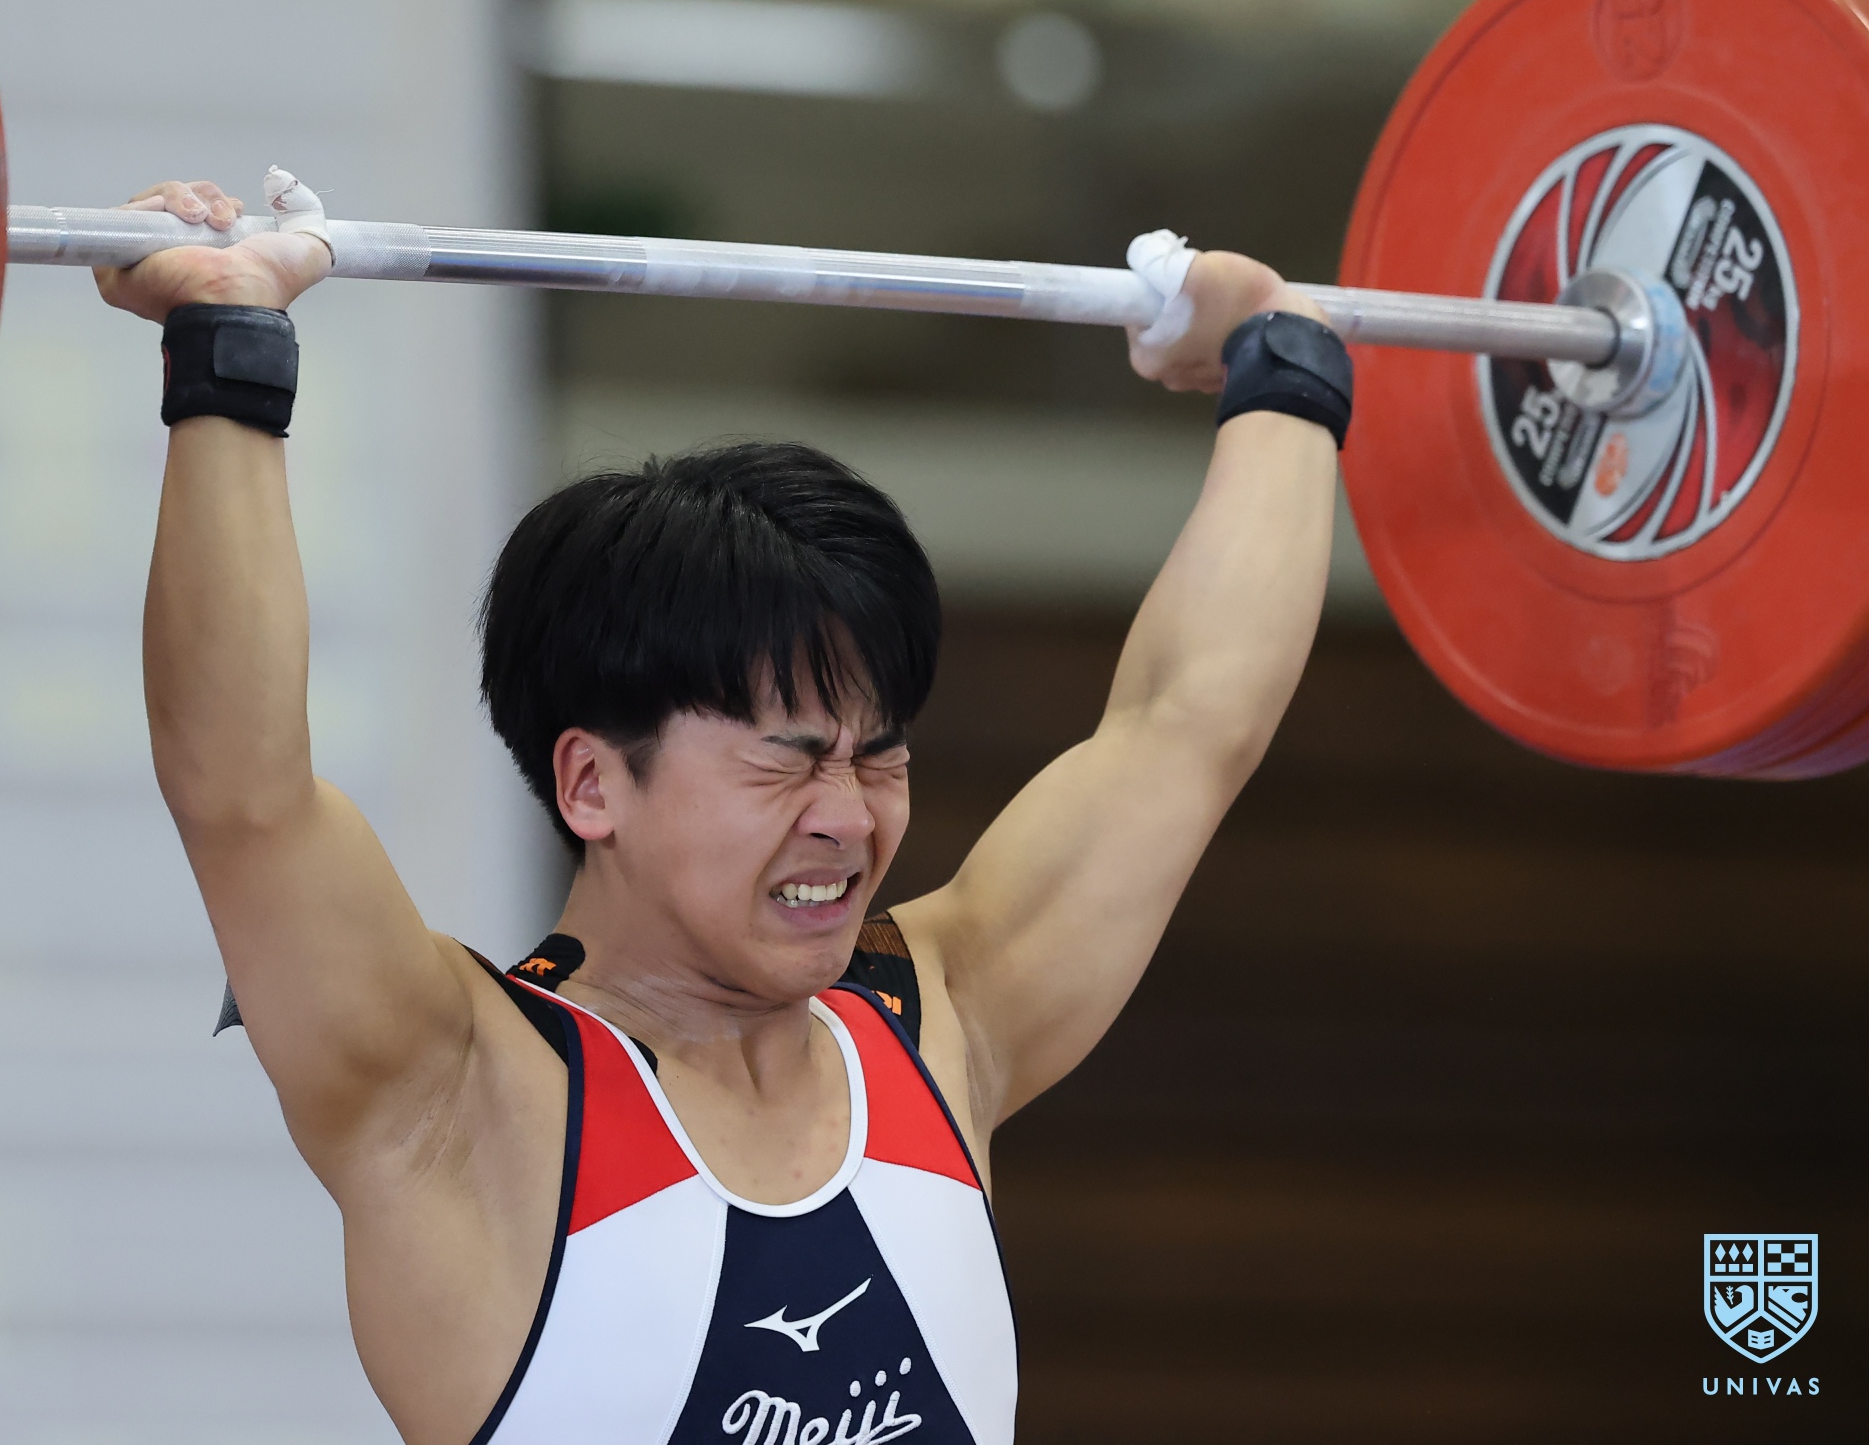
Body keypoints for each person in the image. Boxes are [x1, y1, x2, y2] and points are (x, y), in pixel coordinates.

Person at [98, 176, 1342, 1445]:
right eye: (786, 762)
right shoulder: (457, 1092)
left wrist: (1281, 363)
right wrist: (229, 345)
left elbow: (1187, 722)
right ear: (592, 782)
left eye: (879, 757)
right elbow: (241, 793)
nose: (848, 819)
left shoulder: (946, 1019)